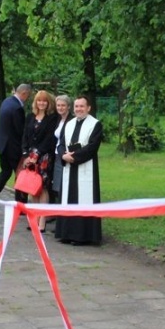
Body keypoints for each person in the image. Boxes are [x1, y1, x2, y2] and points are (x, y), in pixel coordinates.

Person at [55, 96, 104, 245]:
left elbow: (92, 147)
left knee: (83, 198)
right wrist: (63, 155)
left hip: (85, 167)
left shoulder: (95, 124)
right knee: (68, 198)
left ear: (88, 108)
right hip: (69, 167)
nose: (78, 109)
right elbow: (61, 143)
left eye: (82, 106)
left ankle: (82, 236)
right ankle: (66, 233)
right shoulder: (69, 124)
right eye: (76, 106)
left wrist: (74, 157)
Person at [0, 83, 30, 212]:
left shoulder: (7, 101)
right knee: (21, 174)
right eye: (28, 96)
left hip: (2, 145)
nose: (28, 99)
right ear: (24, 93)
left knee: (5, 172)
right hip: (12, 147)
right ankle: (20, 206)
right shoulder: (17, 108)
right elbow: (20, 130)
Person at [21, 90, 60, 231]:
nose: (41, 103)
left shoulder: (52, 118)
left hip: (44, 157)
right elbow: (24, 136)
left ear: (48, 103)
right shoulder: (30, 117)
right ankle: (34, 218)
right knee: (33, 188)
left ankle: (42, 220)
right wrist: (26, 155)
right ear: (35, 102)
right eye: (39, 100)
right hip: (29, 156)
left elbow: (50, 139)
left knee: (42, 187)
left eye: (44, 101)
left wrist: (36, 155)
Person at [50, 94, 72, 214]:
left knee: (61, 186)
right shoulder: (58, 119)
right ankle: (57, 213)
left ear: (68, 107)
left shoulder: (71, 120)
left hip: (63, 155)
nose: (60, 108)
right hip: (55, 154)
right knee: (56, 185)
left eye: (63, 105)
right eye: (58, 105)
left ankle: (62, 215)